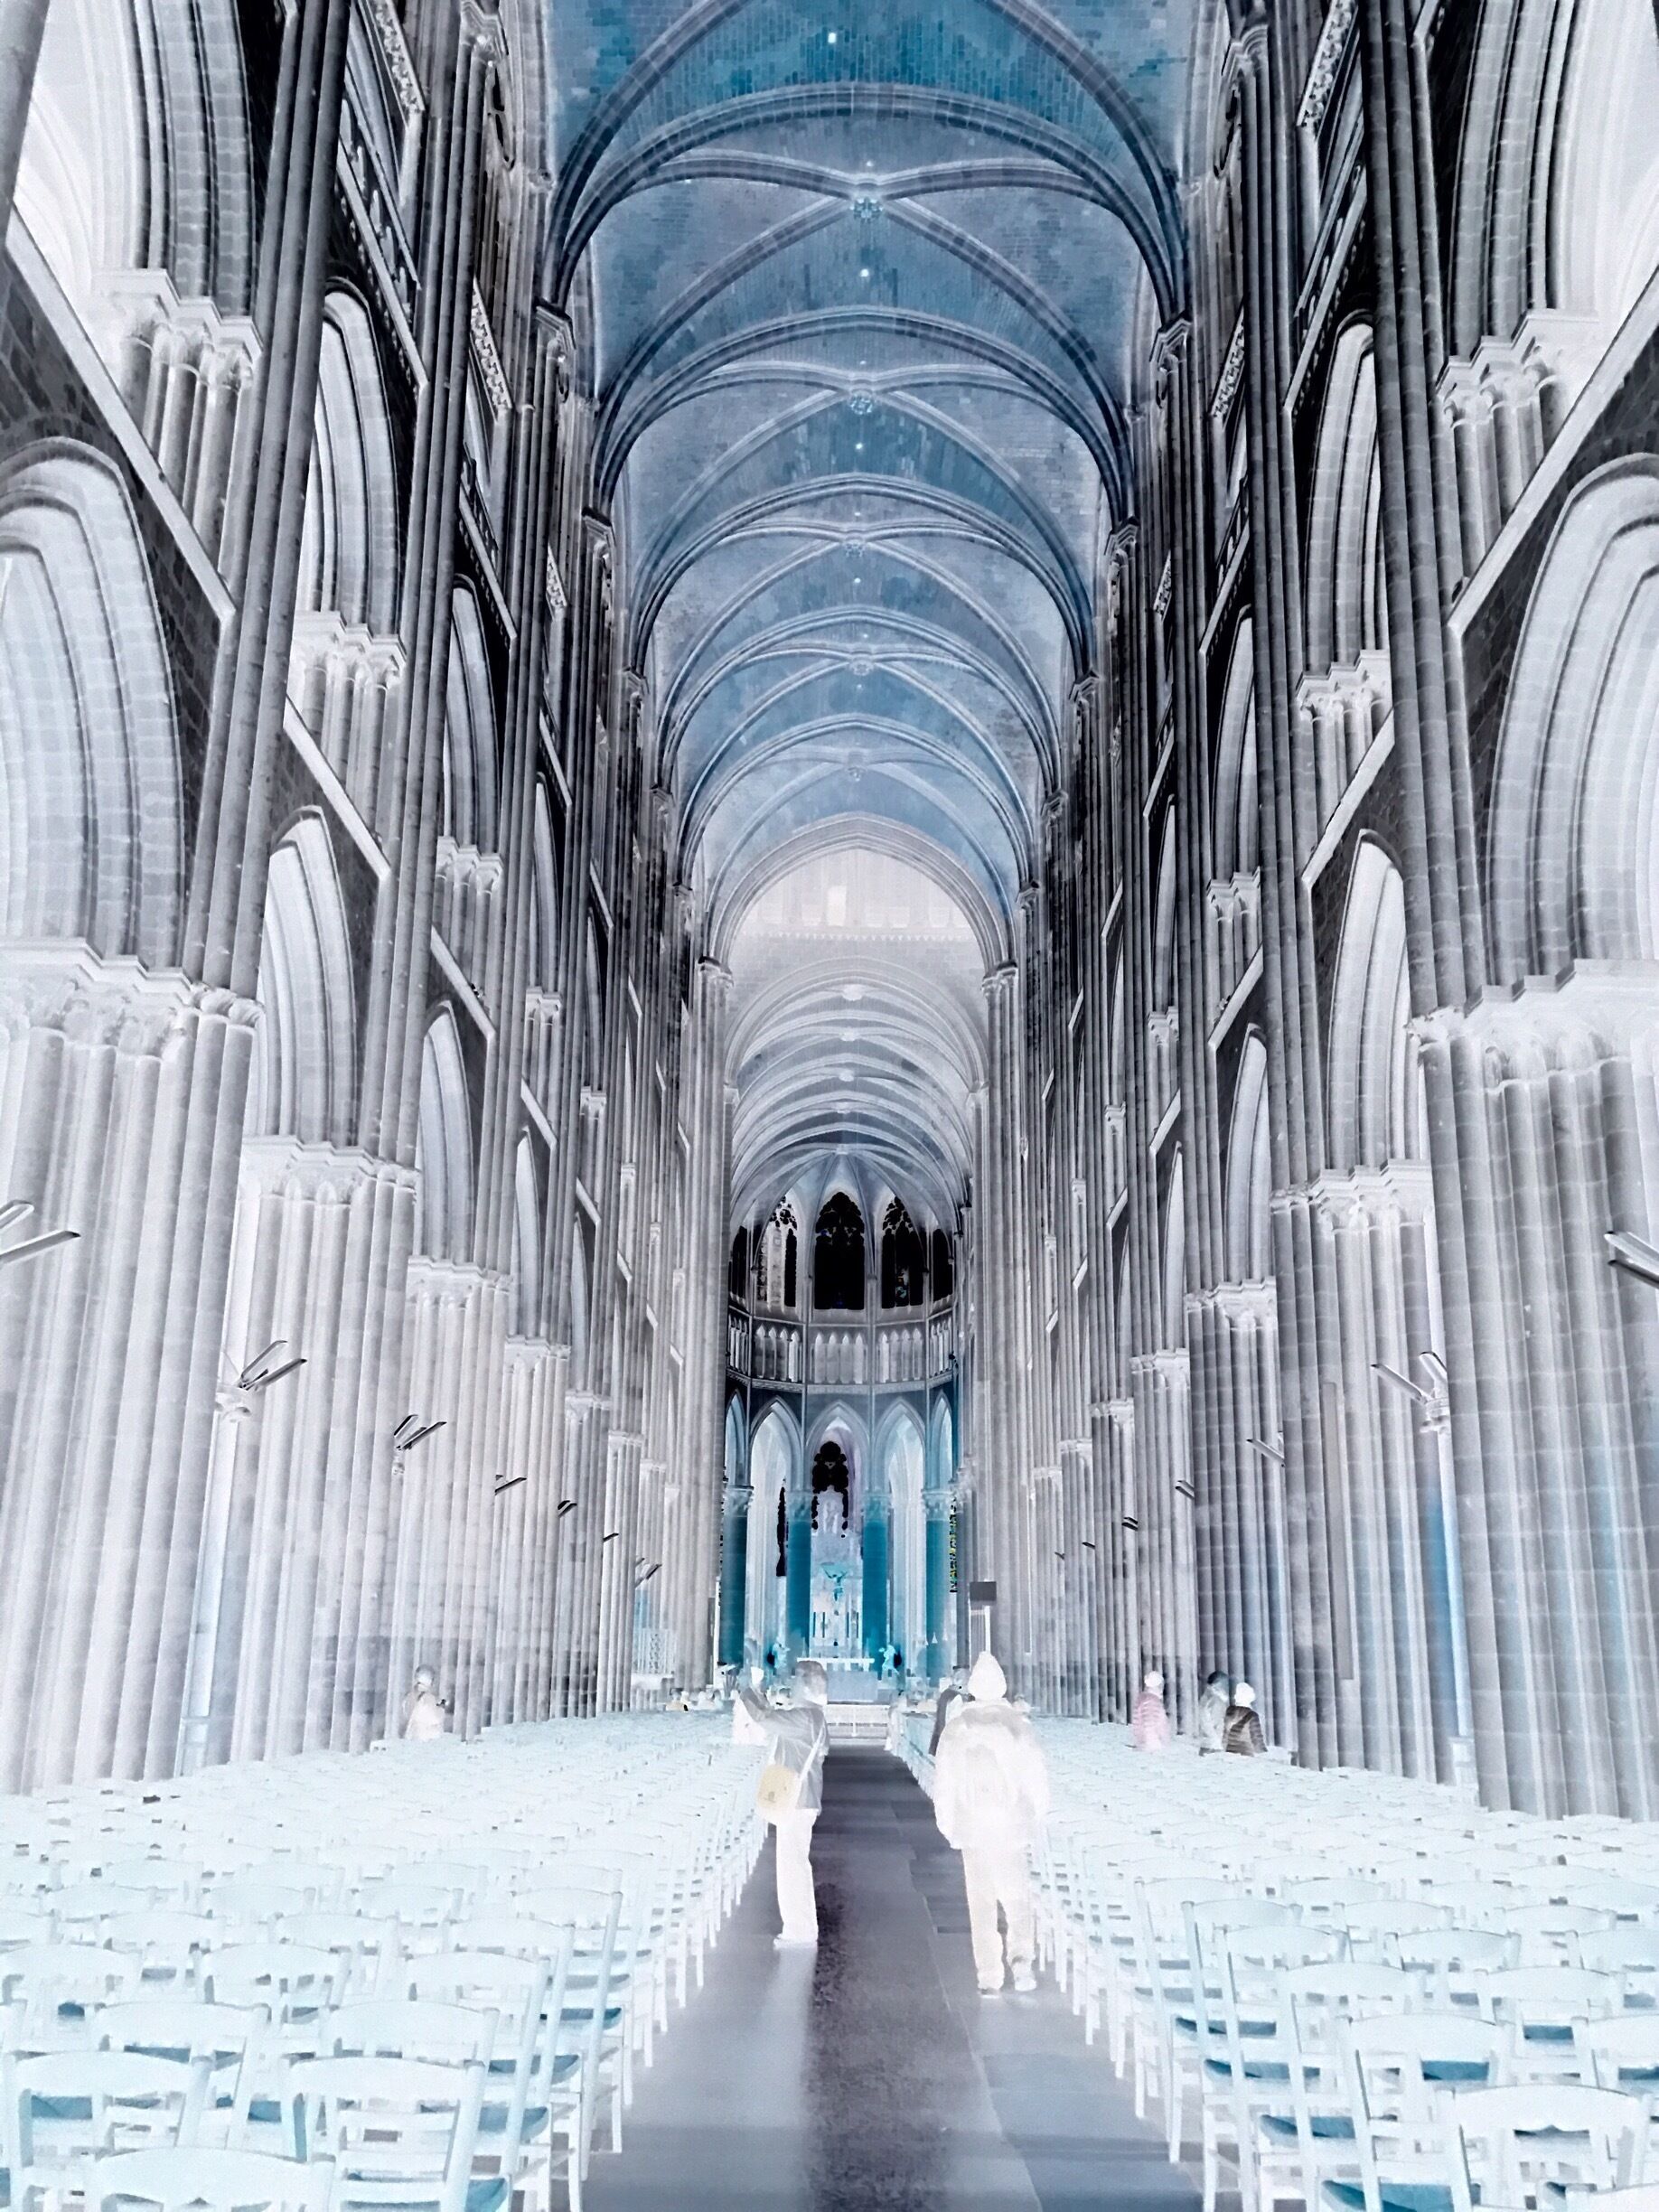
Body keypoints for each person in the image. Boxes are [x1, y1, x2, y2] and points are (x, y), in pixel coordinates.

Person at [933, 1651, 1051, 1996]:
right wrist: (1036, 1817)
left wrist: (947, 1824)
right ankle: (1022, 1960)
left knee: (981, 1901)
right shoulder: (1018, 1726)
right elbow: (1037, 1778)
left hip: (973, 1828)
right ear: (1001, 1686)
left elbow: (945, 1783)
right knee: (1016, 1896)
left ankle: (988, 1974)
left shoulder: (957, 1728)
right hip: (1011, 1827)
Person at [737, 1658, 830, 1948]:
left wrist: (748, 1690)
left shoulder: (805, 1717)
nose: (789, 1684)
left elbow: (763, 1718)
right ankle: (801, 1926)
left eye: (794, 1680)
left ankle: (798, 1929)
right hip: (804, 1797)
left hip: (797, 1800)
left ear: (803, 1684)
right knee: (795, 1864)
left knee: (792, 1866)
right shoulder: (812, 1715)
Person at [929, 1666, 969, 1756]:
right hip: (951, 1742)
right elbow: (955, 1722)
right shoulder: (957, 1698)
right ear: (962, 1684)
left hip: (940, 1738)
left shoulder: (945, 1693)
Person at [401, 1665, 446, 1741]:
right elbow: (435, 1718)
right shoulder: (427, 1698)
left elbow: (406, 1712)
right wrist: (442, 1706)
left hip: (417, 1735)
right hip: (424, 1736)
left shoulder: (413, 1695)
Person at [1132, 1667, 1171, 1750]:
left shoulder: (1143, 1698)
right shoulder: (1152, 1701)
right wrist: (1155, 1743)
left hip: (1144, 1742)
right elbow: (1149, 1724)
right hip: (1152, 1745)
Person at [1223, 1680, 1267, 1756]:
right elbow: (1256, 1738)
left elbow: (1225, 1735)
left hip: (1230, 1752)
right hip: (1245, 1753)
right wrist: (1264, 1753)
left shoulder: (1228, 1712)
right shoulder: (1252, 1715)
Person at [1195, 1668, 1230, 1753]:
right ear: (1217, 1684)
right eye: (1224, 1684)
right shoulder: (1216, 1700)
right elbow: (1215, 1723)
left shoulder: (1206, 1697)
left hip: (1208, 1743)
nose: (1226, 1687)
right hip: (1214, 1745)